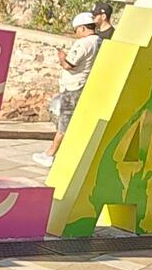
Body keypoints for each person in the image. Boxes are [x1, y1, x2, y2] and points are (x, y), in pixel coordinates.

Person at [34, 12, 102, 168]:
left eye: (76, 30)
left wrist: (61, 56)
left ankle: (50, 154)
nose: (76, 33)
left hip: (73, 86)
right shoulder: (99, 41)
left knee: (65, 121)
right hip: (84, 83)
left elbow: (68, 65)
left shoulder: (83, 43)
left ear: (82, 28)